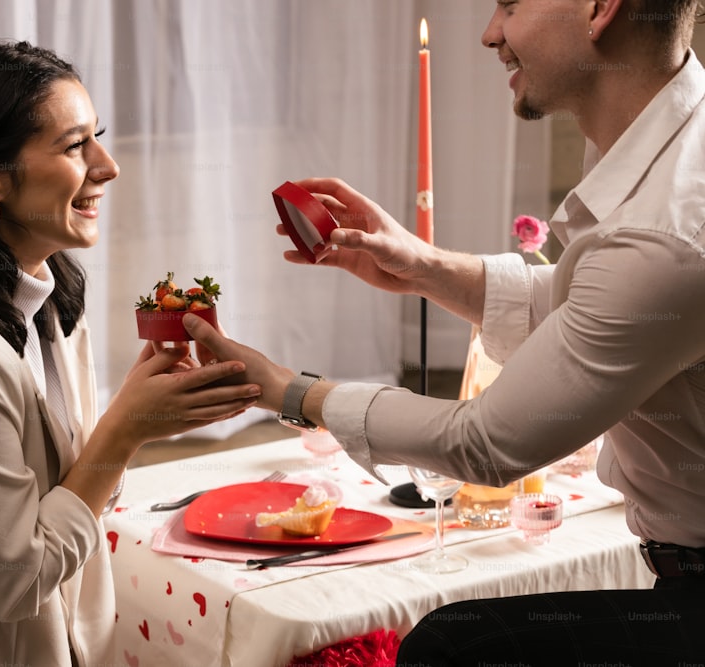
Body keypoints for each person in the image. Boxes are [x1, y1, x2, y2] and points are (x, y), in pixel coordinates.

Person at [183, 0, 705, 663]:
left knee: (452, 645)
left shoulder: (672, 223)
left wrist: (288, 391)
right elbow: (596, 303)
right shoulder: (668, 151)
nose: (491, 34)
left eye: (510, 5)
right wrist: (425, 267)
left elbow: (488, 443)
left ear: (601, 9)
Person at [0, 41, 258, 666]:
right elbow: (13, 579)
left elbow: (67, 493)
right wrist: (125, 433)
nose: (108, 164)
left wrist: (143, 403)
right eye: (75, 146)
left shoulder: (49, 304)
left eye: (98, 136)